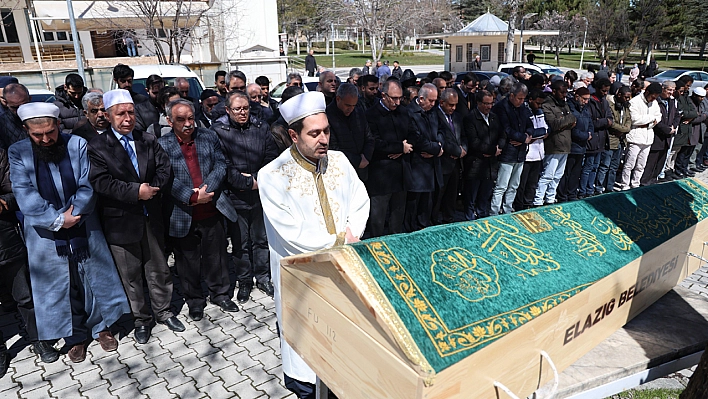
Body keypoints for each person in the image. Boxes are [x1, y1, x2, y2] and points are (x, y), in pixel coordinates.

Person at [259, 91, 370, 399]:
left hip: (344, 269)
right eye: (315, 133)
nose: (324, 139)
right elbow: (291, 234)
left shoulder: (340, 161)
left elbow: (360, 200)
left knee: (343, 347)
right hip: (304, 280)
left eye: (327, 130)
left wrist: (351, 234)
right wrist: (338, 242)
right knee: (307, 362)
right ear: (294, 135)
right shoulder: (272, 176)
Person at [9, 102, 130, 362]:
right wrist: (56, 220)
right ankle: (75, 337)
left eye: (50, 132)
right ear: (25, 130)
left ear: (58, 125)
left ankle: (101, 327)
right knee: (60, 285)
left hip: (82, 221)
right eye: (37, 135)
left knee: (92, 277)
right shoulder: (18, 152)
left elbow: (87, 183)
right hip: (44, 232)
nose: (45, 139)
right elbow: (23, 193)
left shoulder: (76, 144)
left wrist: (74, 214)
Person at [88, 89, 185, 344]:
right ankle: (142, 320)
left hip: (151, 215)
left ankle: (164, 311)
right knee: (130, 276)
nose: (127, 118)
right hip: (121, 220)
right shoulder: (97, 146)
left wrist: (151, 189)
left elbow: (165, 169)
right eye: (121, 114)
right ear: (108, 116)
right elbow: (101, 182)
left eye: (131, 112)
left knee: (159, 269)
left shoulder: (148, 139)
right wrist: (135, 192)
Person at [158, 99, 239, 320]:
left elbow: (221, 164)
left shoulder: (208, 136)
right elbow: (164, 178)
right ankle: (195, 301)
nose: (188, 124)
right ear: (169, 121)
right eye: (181, 119)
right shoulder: (162, 145)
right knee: (187, 262)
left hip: (211, 207)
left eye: (191, 118)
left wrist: (206, 190)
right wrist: (192, 196)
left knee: (217, 256)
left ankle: (220, 294)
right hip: (182, 213)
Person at [211, 91, 279, 303]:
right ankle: (244, 281)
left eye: (246, 108)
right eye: (238, 109)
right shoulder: (219, 131)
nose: (243, 113)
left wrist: (258, 179)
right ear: (228, 110)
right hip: (235, 196)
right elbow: (223, 165)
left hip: (260, 195)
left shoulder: (261, 127)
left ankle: (263, 277)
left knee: (261, 239)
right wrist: (247, 182)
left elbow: (271, 157)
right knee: (241, 243)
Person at [0, 146, 54, 368]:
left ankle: (39, 339)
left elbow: (16, 191)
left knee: (25, 296)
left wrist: (3, 201)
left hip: (5, 242)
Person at [365, 79, 412, 237]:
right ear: (383, 95)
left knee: (397, 216)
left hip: (401, 172)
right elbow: (374, 142)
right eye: (394, 98)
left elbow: (412, 135)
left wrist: (403, 149)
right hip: (381, 175)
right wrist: (399, 147)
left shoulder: (403, 111)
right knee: (378, 218)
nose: (397, 102)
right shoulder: (371, 114)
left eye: (400, 98)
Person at [405, 83, 443, 231]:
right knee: (414, 206)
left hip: (432, 166)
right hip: (417, 167)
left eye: (435, 101)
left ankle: (423, 228)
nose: (433, 104)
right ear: (421, 99)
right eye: (431, 101)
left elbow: (441, 130)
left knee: (427, 205)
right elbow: (417, 139)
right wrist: (436, 148)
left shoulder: (433, 111)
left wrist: (439, 147)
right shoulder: (410, 113)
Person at [490, 83, 532, 215]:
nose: (522, 101)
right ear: (512, 95)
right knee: (501, 186)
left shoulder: (523, 107)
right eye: (519, 98)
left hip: (520, 152)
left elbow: (530, 124)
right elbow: (506, 129)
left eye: (523, 99)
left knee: (514, 185)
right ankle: (494, 211)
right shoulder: (501, 107)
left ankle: (508, 209)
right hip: (507, 152)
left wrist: (526, 136)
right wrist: (522, 138)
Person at [462, 90, 505, 220]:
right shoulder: (470, 118)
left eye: (491, 103)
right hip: (475, 164)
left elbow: (502, 134)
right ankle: (469, 219)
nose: (489, 106)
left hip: (490, 165)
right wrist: (491, 150)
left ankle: (482, 217)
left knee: (485, 196)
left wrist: (499, 148)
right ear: (478, 103)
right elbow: (474, 142)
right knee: (471, 196)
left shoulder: (494, 117)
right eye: (486, 103)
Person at [534, 80, 576, 206]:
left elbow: (574, 121)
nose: (564, 95)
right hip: (553, 145)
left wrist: (565, 121)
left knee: (558, 175)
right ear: (554, 91)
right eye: (562, 92)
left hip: (565, 144)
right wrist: (567, 120)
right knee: (548, 174)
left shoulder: (565, 104)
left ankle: (550, 198)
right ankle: (538, 199)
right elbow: (554, 124)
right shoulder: (547, 105)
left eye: (566, 92)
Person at [615, 82, 662, 190]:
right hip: (635, 137)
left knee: (641, 165)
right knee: (629, 164)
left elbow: (658, 116)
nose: (653, 99)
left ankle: (635, 183)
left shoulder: (654, 103)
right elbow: (635, 119)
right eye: (652, 97)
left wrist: (649, 121)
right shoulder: (635, 101)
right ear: (647, 92)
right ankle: (625, 184)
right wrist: (651, 118)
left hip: (648, 137)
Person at [326, 83, 374, 182]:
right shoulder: (328, 116)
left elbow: (369, 137)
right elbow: (333, 149)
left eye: (353, 105)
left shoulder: (358, 112)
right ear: (338, 99)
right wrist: (357, 161)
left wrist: (366, 157)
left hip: (362, 172)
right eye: (347, 105)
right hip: (342, 173)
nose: (351, 109)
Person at [434, 88, 466, 223]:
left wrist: (464, 149)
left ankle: (449, 218)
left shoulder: (457, 116)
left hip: (456, 163)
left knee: (452, 194)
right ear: (442, 102)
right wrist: (457, 152)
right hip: (443, 162)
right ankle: (434, 219)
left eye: (455, 105)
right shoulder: (435, 116)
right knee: (438, 195)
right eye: (450, 105)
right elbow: (442, 139)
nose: (453, 108)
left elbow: (463, 136)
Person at [514, 89, 548, 211]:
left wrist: (534, 135)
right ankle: (519, 206)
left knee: (532, 183)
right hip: (528, 154)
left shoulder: (539, 112)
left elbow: (545, 130)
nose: (539, 106)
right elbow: (529, 133)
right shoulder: (525, 112)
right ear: (531, 100)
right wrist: (532, 136)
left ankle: (528, 204)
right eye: (537, 103)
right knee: (522, 183)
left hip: (538, 153)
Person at [557, 87, 592, 202]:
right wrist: (585, 136)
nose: (586, 101)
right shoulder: (570, 108)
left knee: (576, 173)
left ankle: (572, 194)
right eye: (584, 99)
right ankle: (562, 195)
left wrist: (589, 134)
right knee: (566, 172)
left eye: (588, 99)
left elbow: (590, 123)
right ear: (577, 97)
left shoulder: (586, 109)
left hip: (582, 147)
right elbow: (572, 129)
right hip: (572, 146)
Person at [641, 82, 679, 185]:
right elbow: (655, 119)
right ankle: (644, 183)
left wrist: (674, 127)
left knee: (660, 163)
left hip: (667, 138)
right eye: (669, 90)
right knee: (650, 163)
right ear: (663, 89)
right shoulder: (655, 101)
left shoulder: (672, 101)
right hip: (656, 136)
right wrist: (666, 129)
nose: (671, 93)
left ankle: (654, 180)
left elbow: (677, 115)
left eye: (673, 90)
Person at [579, 78, 613, 197]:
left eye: (607, 91)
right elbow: (592, 122)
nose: (605, 93)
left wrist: (603, 121)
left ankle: (590, 189)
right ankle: (583, 190)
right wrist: (604, 121)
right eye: (603, 91)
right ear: (598, 89)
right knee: (587, 167)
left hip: (601, 139)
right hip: (592, 139)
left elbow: (610, 119)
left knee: (595, 166)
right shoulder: (591, 101)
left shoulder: (605, 102)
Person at [597, 85, 631, 191]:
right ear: (619, 94)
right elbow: (611, 123)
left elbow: (629, 120)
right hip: (611, 139)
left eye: (629, 97)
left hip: (621, 141)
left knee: (614, 166)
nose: (628, 99)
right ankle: (598, 187)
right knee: (605, 165)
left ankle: (609, 187)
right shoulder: (610, 105)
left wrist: (625, 129)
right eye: (626, 97)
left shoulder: (626, 107)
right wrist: (622, 129)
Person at [0, 83, 30, 150]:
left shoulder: (42, 116)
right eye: (15, 107)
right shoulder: (2, 123)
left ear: (30, 99)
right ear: (5, 102)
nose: (20, 110)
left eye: (23, 105)